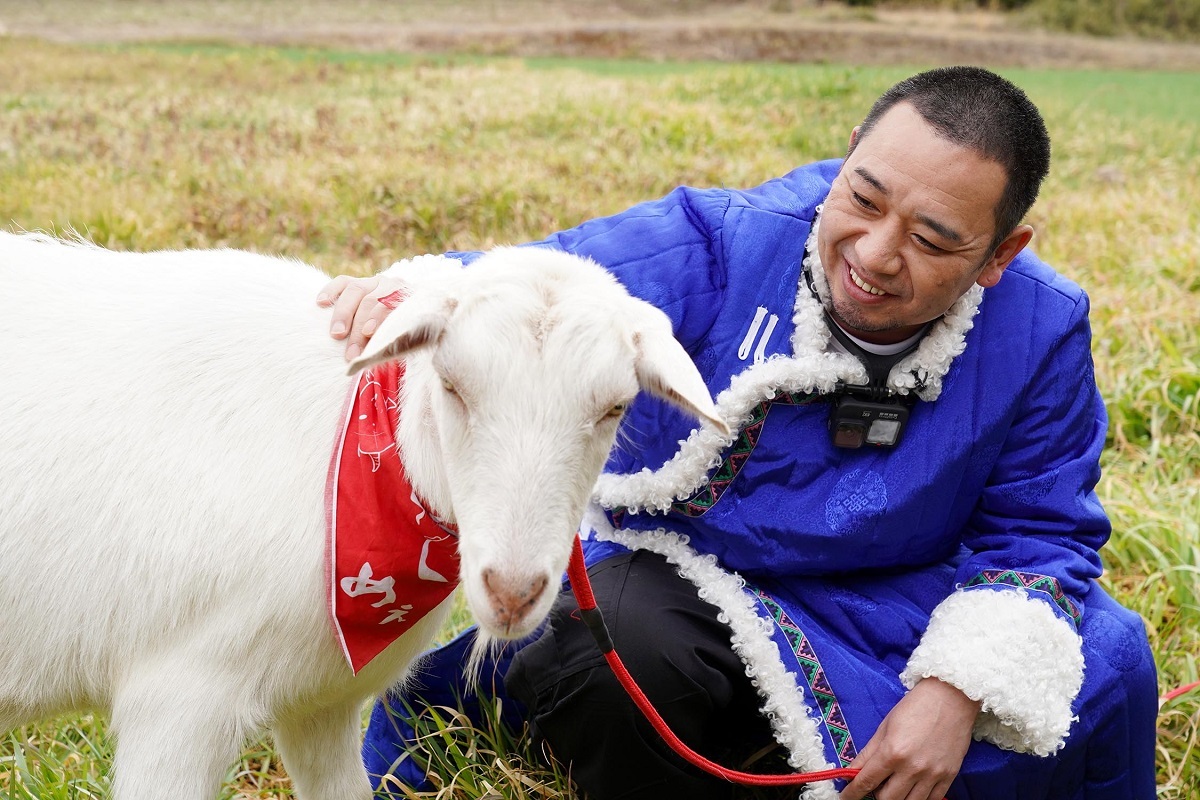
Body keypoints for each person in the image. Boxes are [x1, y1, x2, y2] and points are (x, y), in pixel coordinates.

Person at [318, 66, 1157, 800]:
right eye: (862, 198)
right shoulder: (723, 239)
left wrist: (956, 689)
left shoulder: (1041, 326)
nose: (874, 251)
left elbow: (1040, 531)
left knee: (1108, 659)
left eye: (933, 239)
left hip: (903, 598)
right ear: (854, 147)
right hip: (690, 581)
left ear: (1000, 253)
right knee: (603, 642)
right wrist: (411, 289)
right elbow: (544, 282)